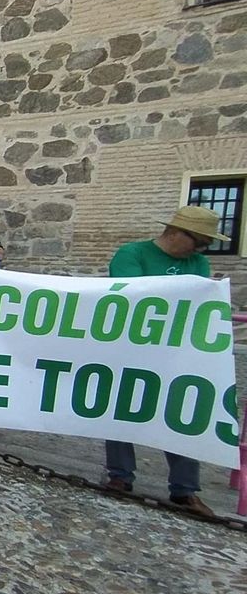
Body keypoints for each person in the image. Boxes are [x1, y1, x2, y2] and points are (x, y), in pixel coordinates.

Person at [102, 205, 227, 517]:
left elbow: (194, 302)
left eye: (205, 245)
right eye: (199, 242)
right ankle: (120, 476)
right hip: (131, 347)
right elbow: (134, 295)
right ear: (175, 232)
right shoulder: (131, 253)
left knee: (180, 415)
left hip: (176, 351)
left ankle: (185, 490)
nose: (201, 250)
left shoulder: (197, 263)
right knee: (122, 411)